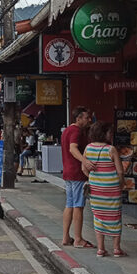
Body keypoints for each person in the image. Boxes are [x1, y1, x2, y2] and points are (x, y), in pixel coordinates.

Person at [83, 122, 125, 258]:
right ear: (103, 133)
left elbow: (83, 168)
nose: (110, 135)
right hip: (112, 188)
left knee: (98, 216)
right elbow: (120, 171)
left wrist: (94, 178)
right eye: (109, 132)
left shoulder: (88, 148)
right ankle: (116, 248)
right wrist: (121, 184)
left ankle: (101, 249)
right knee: (114, 216)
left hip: (96, 189)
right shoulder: (111, 149)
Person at [61, 106, 95, 248]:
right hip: (77, 173)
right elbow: (73, 148)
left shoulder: (67, 131)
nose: (89, 120)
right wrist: (84, 161)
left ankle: (65, 238)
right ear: (78, 118)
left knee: (69, 204)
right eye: (87, 117)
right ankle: (78, 239)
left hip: (68, 173)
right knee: (78, 206)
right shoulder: (76, 131)